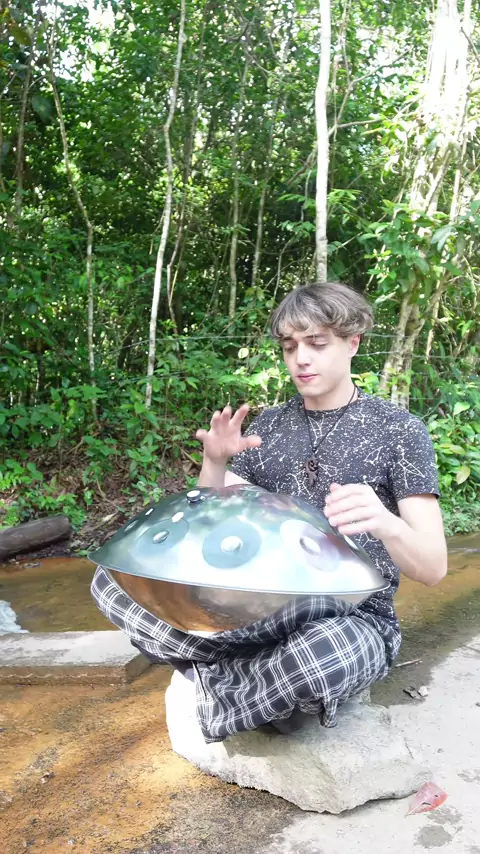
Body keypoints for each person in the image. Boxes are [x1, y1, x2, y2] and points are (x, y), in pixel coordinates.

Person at [91, 282, 447, 743]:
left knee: (323, 656)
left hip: (351, 615)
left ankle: (222, 682)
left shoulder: (399, 431)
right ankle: (262, 690)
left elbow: (433, 568)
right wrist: (214, 462)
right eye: (290, 347)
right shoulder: (271, 426)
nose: (301, 359)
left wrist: (386, 522)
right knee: (112, 584)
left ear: (353, 343)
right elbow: (208, 525)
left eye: (317, 343)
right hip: (260, 609)